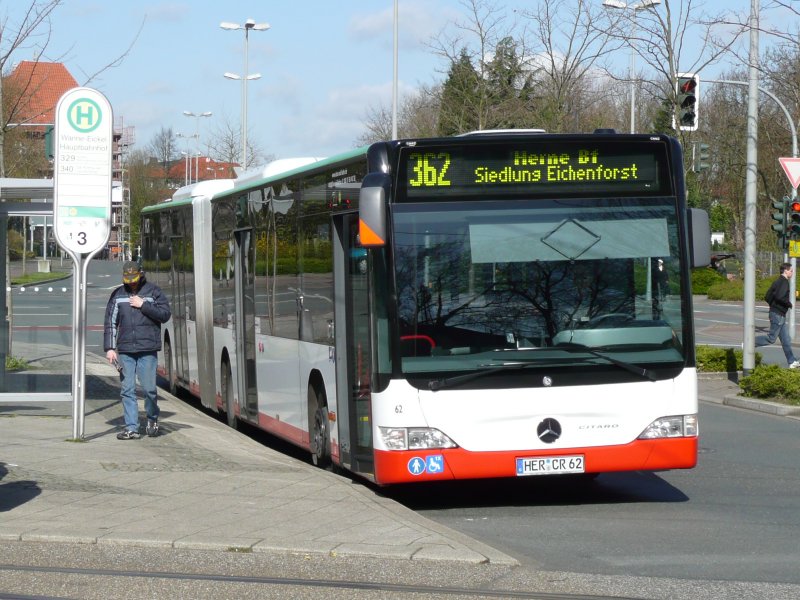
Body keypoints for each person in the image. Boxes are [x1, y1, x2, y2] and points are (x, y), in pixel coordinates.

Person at [104, 261, 172, 439]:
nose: (131, 283)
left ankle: (152, 418)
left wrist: (144, 305)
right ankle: (132, 428)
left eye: (134, 279)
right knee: (127, 390)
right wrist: (110, 348)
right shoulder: (118, 295)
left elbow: (165, 314)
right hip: (126, 349)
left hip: (147, 348)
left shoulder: (153, 291)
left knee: (149, 389)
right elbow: (110, 323)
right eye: (128, 279)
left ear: (140, 275)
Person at [760, 262, 800, 369]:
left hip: (777, 313)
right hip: (778, 314)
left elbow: (767, 296)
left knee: (786, 340)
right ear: (786, 270)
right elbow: (780, 297)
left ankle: (791, 361)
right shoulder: (784, 282)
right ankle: (748, 343)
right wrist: (788, 304)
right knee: (771, 338)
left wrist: (773, 306)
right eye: (791, 271)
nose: (792, 272)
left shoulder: (777, 281)